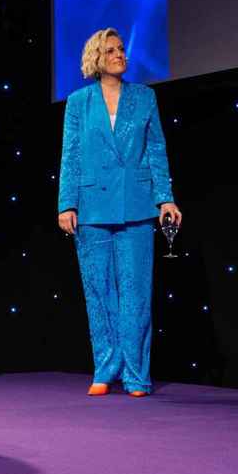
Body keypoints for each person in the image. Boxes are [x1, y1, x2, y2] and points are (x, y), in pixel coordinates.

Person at [57, 28, 181, 397]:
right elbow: (70, 155)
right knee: (99, 291)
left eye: (121, 49)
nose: (119, 55)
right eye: (111, 50)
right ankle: (105, 367)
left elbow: (156, 150)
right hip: (91, 205)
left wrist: (166, 199)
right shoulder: (78, 102)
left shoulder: (144, 97)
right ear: (96, 58)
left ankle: (136, 374)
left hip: (136, 204)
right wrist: (66, 203)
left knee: (136, 292)